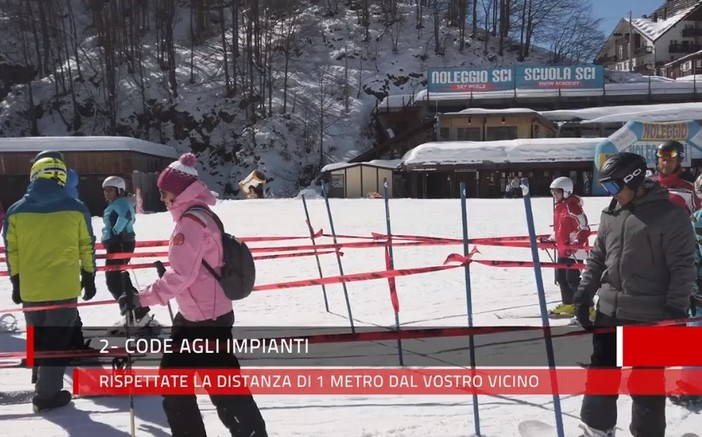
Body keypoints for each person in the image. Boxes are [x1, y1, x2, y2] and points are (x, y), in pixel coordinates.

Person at [119, 153, 268, 437]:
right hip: (193, 316)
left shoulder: (191, 222)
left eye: (164, 193)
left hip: (206, 320)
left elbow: (183, 275)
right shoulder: (197, 215)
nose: (162, 199)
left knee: (223, 389)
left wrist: (142, 298)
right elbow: (190, 271)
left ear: (179, 192)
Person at [572, 152, 695, 437]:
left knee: (646, 386)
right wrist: (583, 293)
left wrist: (675, 311)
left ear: (634, 180)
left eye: (614, 187)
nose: (611, 194)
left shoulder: (670, 215)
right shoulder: (612, 212)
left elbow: (683, 267)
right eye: (606, 188)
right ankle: (596, 429)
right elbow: (597, 258)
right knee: (601, 376)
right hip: (609, 310)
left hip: (648, 316)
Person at [3, 157, 96, 412]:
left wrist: (16, 279)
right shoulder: (76, 208)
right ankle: (46, 394)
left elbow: (13, 251)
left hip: (31, 288)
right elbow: (86, 245)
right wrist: (89, 276)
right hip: (63, 287)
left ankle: (39, 375)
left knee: (37, 334)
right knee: (56, 341)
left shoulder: (16, 211)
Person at [101, 176, 152, 332]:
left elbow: (127, 217)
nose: (106, 193)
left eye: (110, 190)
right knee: (120, 278)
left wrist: (116, 232)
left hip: (120, 243)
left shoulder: (121, 203)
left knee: (114, 280)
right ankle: (137, 313)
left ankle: (137, 313)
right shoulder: (117, 203)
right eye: (105, 190)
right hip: (118, 243)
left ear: (119, 190)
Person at [542, 176, 592, 318]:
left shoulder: (573, 208)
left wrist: (576, 242)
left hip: (575, 251)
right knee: (561, 278)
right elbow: (560, 229)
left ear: (566, 192)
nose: (554, 195)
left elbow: (584, 228)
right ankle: (568, 304)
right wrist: (551, 239)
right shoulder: (560, 207)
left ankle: (586, 308)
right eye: (553, 193)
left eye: (557, 192)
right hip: (563, 249)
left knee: (573, 280)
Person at [654, 140, 702, 212]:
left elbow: (698, 217)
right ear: (657, 160)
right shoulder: (648, 183)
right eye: (663, 158)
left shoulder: (689, 188)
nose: (666, 162)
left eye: (671, 159)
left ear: (678, 160)